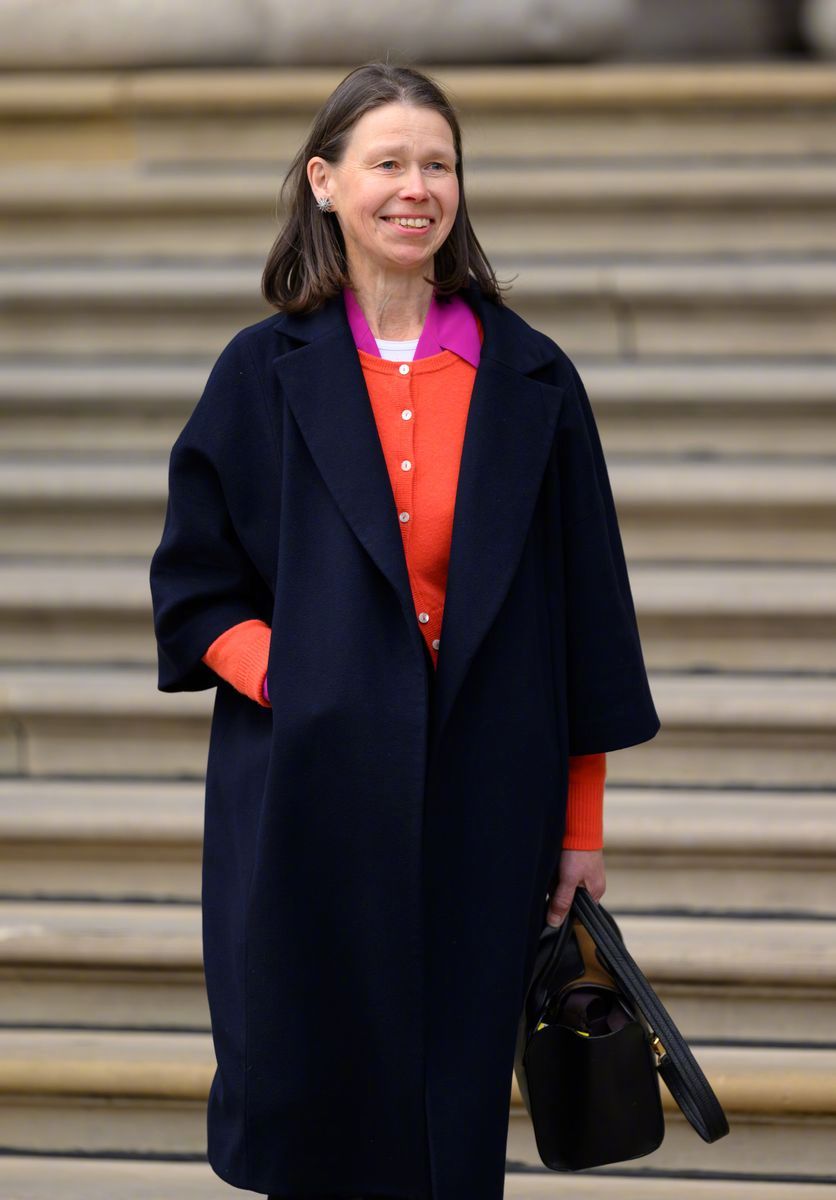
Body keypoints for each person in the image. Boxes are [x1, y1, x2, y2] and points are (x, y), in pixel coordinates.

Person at [149, 60, 660, 1200]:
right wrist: (298, 679)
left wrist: (579, 828)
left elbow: (585, 626)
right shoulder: (258, 373)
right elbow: (195, 586)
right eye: (388, 162)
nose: (416, 188)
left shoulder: (533, 378)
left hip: (489, 805)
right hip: (303, 801)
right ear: (324, 182)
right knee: (311, 1099)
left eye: (439, 164)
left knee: (449, 1113)